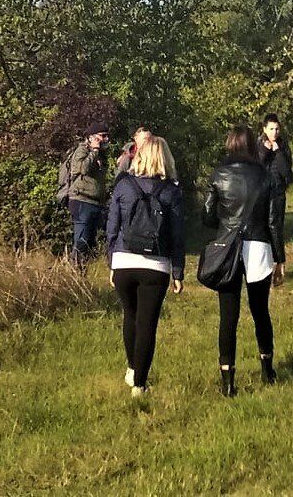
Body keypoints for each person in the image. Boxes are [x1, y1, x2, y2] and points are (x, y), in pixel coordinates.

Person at [203, 125, 286, 397]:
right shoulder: (266, 176)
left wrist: (226, 224)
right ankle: (267, 369)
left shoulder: (219, 175)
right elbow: (274, 221)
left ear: (229, 144)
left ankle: (227, 380)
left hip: (229, 246)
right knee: (260, 310)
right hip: (259, 245)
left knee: (229, 316)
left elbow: (207, 216)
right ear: (252, 145)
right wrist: (279, 257)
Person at [105, 137, 184, 397]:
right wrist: (178, 271)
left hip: (124, 260)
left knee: (130, 315)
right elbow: (176, 235)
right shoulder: (171, 191)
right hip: (156, 264)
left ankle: (131, 368)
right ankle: (140, 384)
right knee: (147, 323)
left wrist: (111, 262)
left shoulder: (123, 185)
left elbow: (112, 226)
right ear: (165, 158)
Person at [67, 122, 110, 270]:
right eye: (102, 136)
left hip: (95, 203)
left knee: (90, 243)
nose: (106, 139)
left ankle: (81, 275)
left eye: (107, 136)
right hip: (81, 201)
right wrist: (94, 151)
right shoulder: (82, 151)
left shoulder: (102, 155)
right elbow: (83, 169)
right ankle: (74, 273)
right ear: (91, 138)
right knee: (81, 241)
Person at [257, 112, 293, 263]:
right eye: (271, 129)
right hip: (261, 194)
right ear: (264, 129)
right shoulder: (257, 145)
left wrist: (277, 151)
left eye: (277, 129)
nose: (274, 132)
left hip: (277, 193)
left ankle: (280, 262)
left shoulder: (283, 146)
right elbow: (255, 168)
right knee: (261, 228)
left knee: (275, 227)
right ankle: (265, 263)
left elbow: (287, 173)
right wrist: (265, 151)